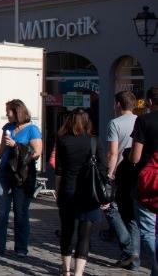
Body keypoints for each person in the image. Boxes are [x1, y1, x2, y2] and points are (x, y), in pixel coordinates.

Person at [0, 99, 42, 257]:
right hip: (4, 172)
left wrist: (16, 146)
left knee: (21, 212)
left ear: (17, 111)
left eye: (8, 111)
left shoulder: (32, 130)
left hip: (22, 175)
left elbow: (37, 152)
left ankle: (21, 247)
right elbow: (2, 148)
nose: (6, 114)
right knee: (1, 211)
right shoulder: (8, 128)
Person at [55, 108, 107, 276]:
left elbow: (59, 171)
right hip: (89, 192)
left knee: (67, 230)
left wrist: (57, 192)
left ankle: (66, 270)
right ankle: (78, 273)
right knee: (85, 234)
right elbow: (102, 169)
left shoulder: (62, 141)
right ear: (87, 122)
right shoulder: (94, 141)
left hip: (68, 189)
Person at [106, 90, 141, 269]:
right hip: (137, 173)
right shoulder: (139, 121)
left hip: (120, 172)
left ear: (119, 104)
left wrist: (109, 173)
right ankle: (134, 260)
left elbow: (113, 152)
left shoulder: (115, 123)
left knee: (111, 209)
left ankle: (128, 248)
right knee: (132, 216)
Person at [130, 85, 158, 276]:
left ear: (149, 102)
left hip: (148, 181)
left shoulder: (144, 120)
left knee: (148, 230)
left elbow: (135, 157)